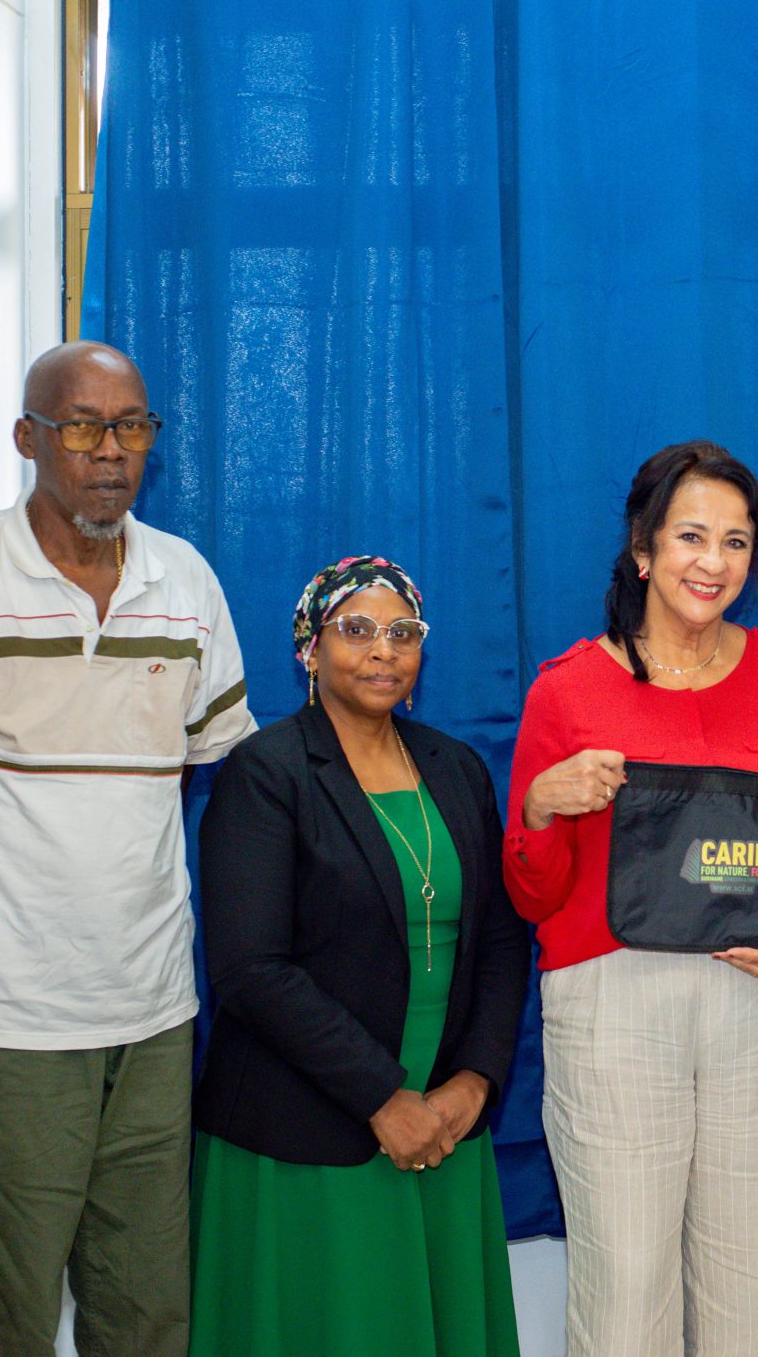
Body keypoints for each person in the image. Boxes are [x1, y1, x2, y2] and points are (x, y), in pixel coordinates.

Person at [0, 341, 255, 1356]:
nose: (110, 450)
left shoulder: (186, 580)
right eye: (81, 426)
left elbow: (231, 784)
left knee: (148, 1315)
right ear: (28, 437)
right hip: (4, 1029)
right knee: (14, 1318)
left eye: (132, 426)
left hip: (153, 1017)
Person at [502, 441, 758, 1357]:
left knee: (757, 1295)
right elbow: (533, 895)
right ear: (644, 549)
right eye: (691, 535)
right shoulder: (566, 689)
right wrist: (540, 806)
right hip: (614, 1005)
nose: (713, 561)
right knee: (624, 1295)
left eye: (736, 541)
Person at [189, 555, 528, 1356]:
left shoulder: (456, 768)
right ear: (310, 649)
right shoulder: (266, 770)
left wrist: (473, 1081)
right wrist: (383, 1097)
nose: (383, 649)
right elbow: (249, 968)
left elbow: (501, 938)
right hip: (311, 1134)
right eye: (357, 629)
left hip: (444, 1126)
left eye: (403, 632)